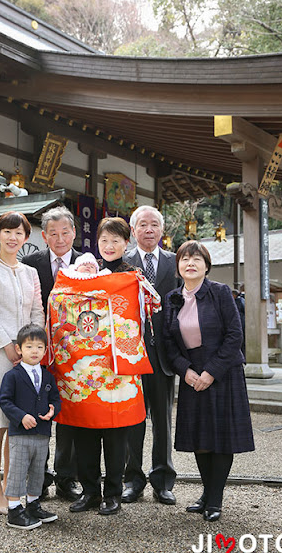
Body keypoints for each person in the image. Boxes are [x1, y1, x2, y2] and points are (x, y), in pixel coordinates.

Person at [49, 217, 159, 516]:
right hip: (82, 370)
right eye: (104, 241)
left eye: (115, 241)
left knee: (115, 435)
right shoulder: (85, 272)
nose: (109, 246)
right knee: (84, 432)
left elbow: (140, 319)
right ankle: (89, 491)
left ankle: (113, 492)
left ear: (127, 243)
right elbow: (60, 299)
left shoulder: (132, 277)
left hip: (116, 371)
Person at [163, 241, 254, 522]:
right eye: (185, 259)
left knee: (221, 439)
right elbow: (168, 342)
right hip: (192, 373)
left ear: (206, 265)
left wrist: (211, 371)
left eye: (196, 259)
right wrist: (185, 370)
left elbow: (234, 335)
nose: (190, 263)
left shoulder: (220, 292)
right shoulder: (172, 297)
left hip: (223, 372)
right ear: (178, 266)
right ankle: (206, 493)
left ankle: (215, 499)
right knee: (200, 438)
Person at [0, 211, 45, 515]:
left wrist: (32, 347)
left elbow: (38, 312)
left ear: (26, 238)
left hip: (27, 357)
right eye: (7, 232)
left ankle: (14, 488)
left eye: (20, 233)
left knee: (17, 423)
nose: (13, 238)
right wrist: (7, 345)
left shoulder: (30, 272)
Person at [22, 205, 81, 501]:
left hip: (75, 352)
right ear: (44, 236)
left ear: (74, 233)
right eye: (53, 233)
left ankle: (67, 477)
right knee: (39, 410)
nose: (60, 239)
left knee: (68, 414)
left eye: (65, 232)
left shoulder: (87, 263)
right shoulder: (31, 263)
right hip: (40, 350)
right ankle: (39, 477)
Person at [122, 205, 178, 506]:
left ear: (162, 229)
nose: (149, 230)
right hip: (130, 352)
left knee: (162, 418)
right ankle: (133, 480)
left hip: (163, 353)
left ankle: (163, 480)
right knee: (133, 418)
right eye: (142, 225)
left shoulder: (174, 261)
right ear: (133, 230)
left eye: (154, 224)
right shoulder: (123, 260)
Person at [0, 324, 61, 530]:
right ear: (19, 349)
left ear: (45, 350)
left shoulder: (48, 376)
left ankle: (33, 504)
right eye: (29, 347)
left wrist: (53, 410)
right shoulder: (12, 376)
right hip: (20, 433)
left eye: (39, 347)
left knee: (38, 469)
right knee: (17, 469)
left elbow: (55, 399)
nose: (35, 351)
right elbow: (5, 402)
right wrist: (21, 416)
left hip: (42, 432)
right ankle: (14, 509)